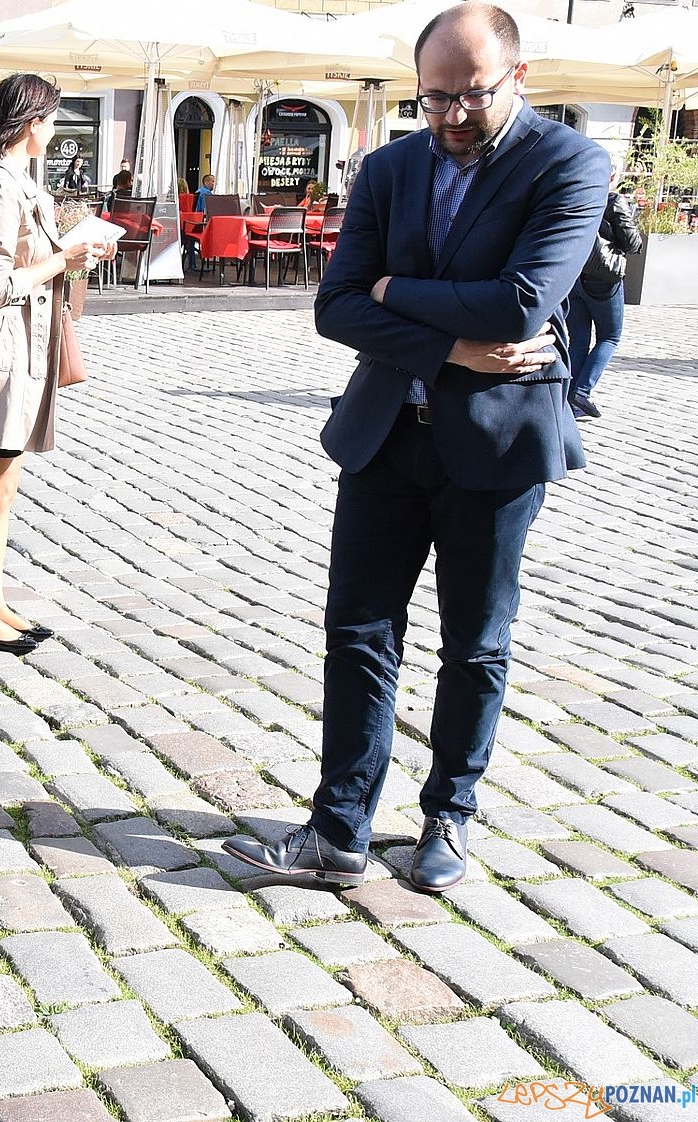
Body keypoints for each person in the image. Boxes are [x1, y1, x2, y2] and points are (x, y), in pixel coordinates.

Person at [222, 3, 607, 894]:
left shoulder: (571, 163)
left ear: (517, 76)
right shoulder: (392, 167)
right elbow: (336, 304)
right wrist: (448, 344)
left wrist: (399, 291)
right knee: (357, 632)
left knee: (476, 641)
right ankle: (338, 828)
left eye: (469, 96)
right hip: (386, 432)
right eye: (432, 99)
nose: (449, 117)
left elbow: (520, 303)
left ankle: (448, 818)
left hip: (498, 445)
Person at [0, 74, 114, 657]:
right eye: (53, 120)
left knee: (2, 490)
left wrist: (76, 253)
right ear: (32, 123)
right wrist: (64, 259)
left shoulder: (15, 183)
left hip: (15, 351)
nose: (55, 131)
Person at [566, 171, 642, 420]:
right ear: (611, 177)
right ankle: (582, 391)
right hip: (604, 278)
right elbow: (631, 242)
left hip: (575, 276)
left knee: (577, 340)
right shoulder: (613, 201)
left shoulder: (574, 197)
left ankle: (568, 397)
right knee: (610, 336)